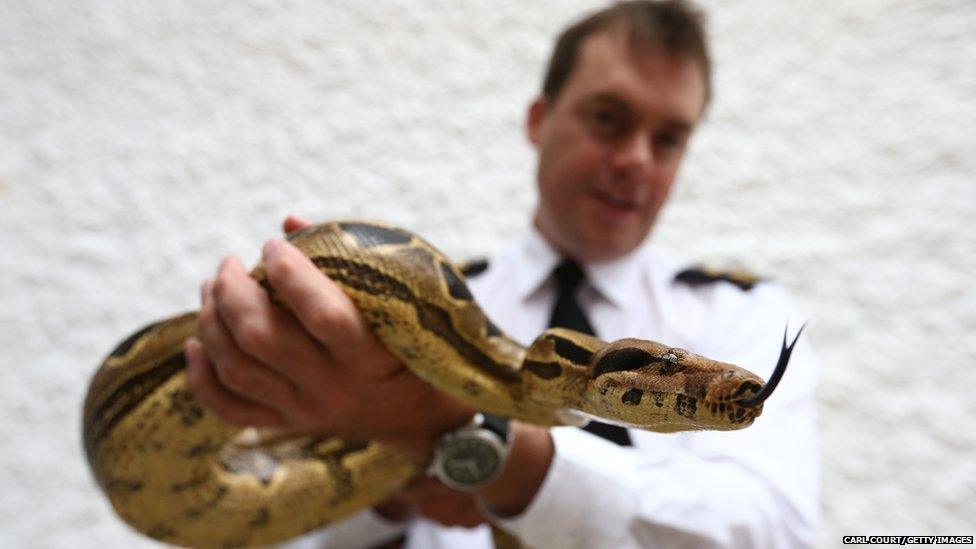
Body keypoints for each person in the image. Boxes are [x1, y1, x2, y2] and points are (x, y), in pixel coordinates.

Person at [183, 1, 819, 547]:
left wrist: (486, 449)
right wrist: (390, 495)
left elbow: (772, 529)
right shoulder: (416, 308)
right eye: (608, 119)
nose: (634, 160)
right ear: (538, 120)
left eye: (668, 139)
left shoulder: (742, 313)